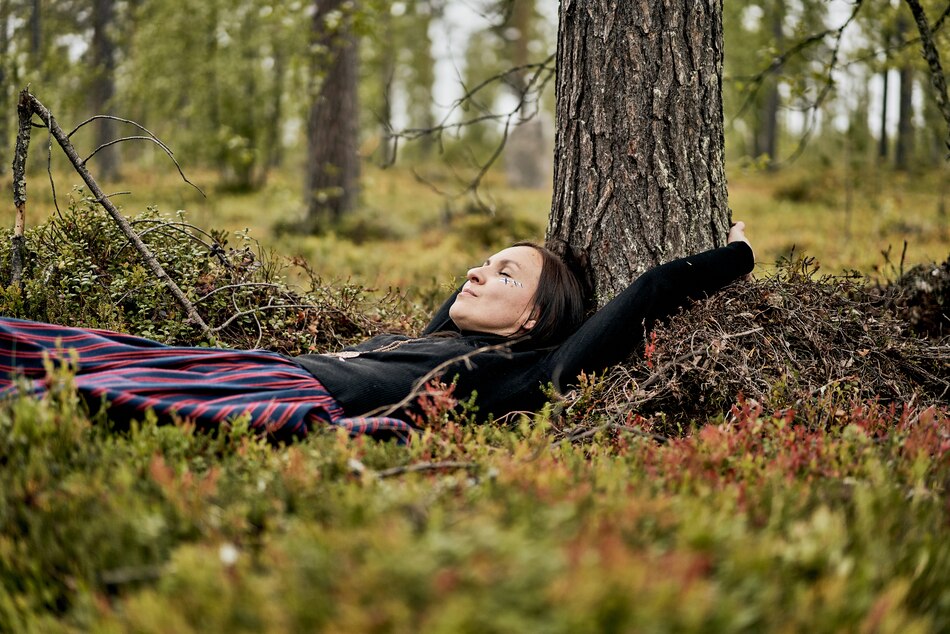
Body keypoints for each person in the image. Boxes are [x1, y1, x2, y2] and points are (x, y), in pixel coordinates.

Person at [0, 223, 754, 442]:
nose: (475, 273)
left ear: (533, 319)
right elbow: (459, 301)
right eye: (481, 261)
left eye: (504, 274)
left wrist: (737, 255)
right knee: (67, 349)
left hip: (282, 391)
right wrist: (492, 278)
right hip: (257, 364)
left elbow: (649, 292)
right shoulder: (445, 340)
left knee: (83, 389)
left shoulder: (523, 373)